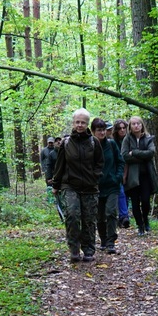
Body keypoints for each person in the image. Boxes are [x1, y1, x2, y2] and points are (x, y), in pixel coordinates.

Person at [51, 108, 103, 263]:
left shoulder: (94, 142)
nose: (80, 125)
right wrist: (56, 185)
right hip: (70, 186)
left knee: (89, 219)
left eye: (83, 122)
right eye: (77, 122)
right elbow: (59, 166)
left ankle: (88, 250)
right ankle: (74, 249)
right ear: (73, 123)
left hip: (90, 187)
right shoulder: (66, 143)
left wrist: (95, 177)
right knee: (72, 216)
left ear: (87, 124)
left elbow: (100, 163)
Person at [92, 118, 124, 254]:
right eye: (99, 130)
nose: (102, 133)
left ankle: (111, 242)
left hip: (112, 185)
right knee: (99, 216)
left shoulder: (111, 145)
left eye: (104, 130)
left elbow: (120, 162)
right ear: (93, 132)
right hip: (96, 187)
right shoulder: (90, 147)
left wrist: (117, 177)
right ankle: (103, 240)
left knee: (111, 212)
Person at [121, 115, 157, 236]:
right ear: (130, 126)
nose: (136, 126)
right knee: (135, 202)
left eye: (138, 123)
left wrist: (135, 153)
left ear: (142, 125)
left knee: (146, 201)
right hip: (132, 176)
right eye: (133, 124)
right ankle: (140, 226)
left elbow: (151, 153)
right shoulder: (127, 139)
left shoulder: (148, 138)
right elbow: (125, 155)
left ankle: (145, 219)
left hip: (146, 175)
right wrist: (142, 158)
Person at [112, 119, 131, 229]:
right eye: (120, 128)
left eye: (124, 128)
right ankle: (124, 216)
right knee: (121, 192)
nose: (122, 130)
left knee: (127, 193)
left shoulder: (130, 140)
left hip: (131, 170)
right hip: (117, 171)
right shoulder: (113, 142)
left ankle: (123, 217)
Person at [40, 137, 57, 202]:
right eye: (49, 143)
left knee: (56, 183)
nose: (50, 144)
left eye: (52, 143)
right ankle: (50, 198)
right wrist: (43, 169)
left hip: (55, 169)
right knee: (49, 184)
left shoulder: (56, 150)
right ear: (47, 143)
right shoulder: (44, 150)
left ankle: (56, 198)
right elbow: (41, 160)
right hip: (47, 170)